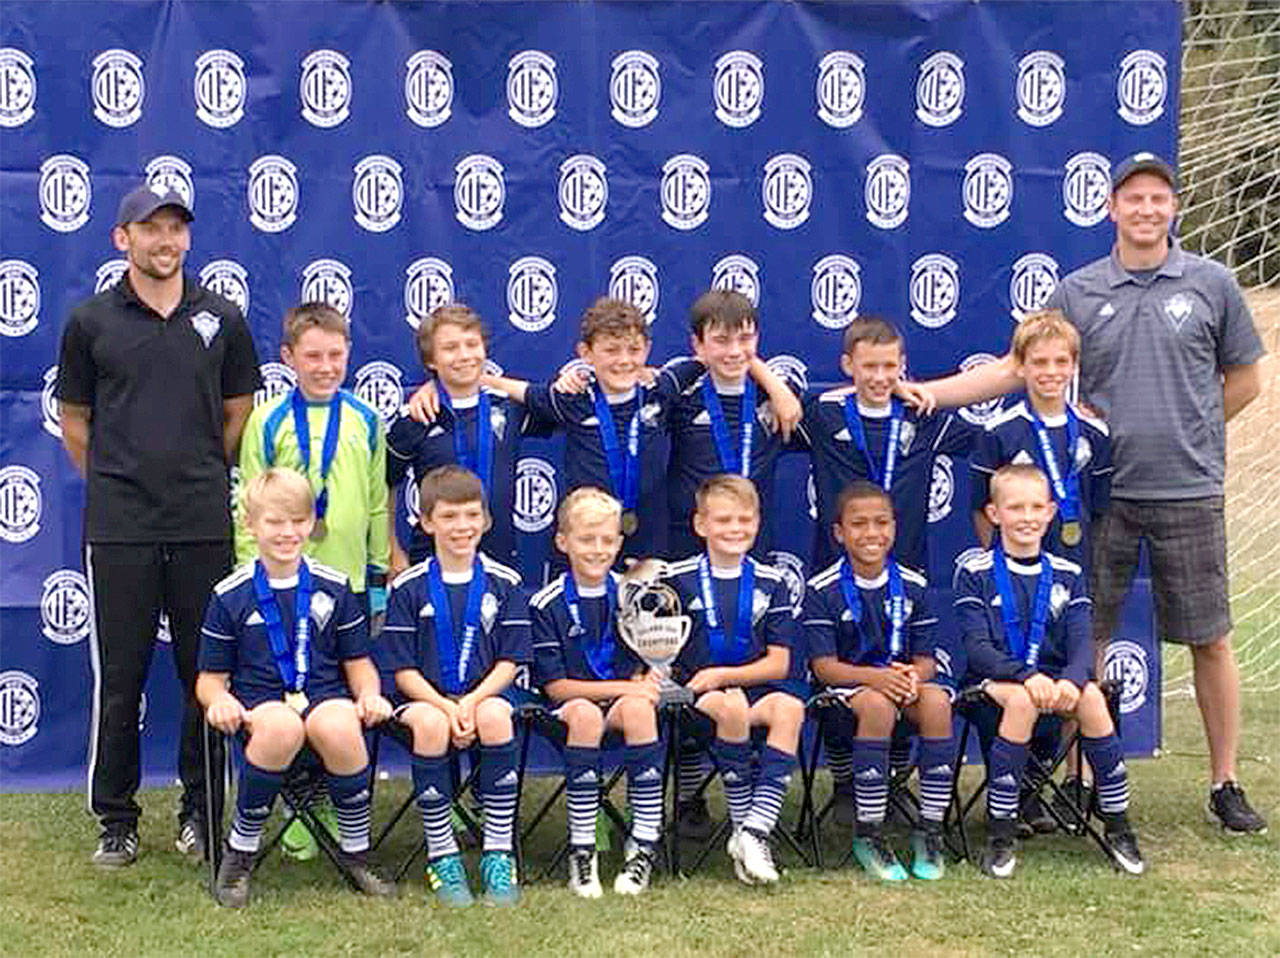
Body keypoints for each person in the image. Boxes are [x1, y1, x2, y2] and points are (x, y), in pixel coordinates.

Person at [914, 152, 1268, 834]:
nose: (1145, 209)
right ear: (1111, 209)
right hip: (1092, 495)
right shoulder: (1079, 291)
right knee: (1085, 636)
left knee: (1211, 638)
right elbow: (1018, 367)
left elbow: (1245, 379)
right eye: (1132, 199)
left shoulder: (1211, 283)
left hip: (1187, 487)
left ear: (1173, 208)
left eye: (1158, 199)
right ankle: (1081, 779)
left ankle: (1224, 781)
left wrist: (1192, 428)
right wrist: (931, 393)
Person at [56, 183, 261, 867]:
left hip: (203, 522)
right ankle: (116, 818)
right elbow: (76, 422)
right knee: (121, 676)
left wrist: (198, 471)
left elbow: (238, 411)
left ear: (187, 239)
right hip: (120, 528)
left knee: (206, 674)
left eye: (175, 229)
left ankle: (201, 814)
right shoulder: (91, 322)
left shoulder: (222, 318)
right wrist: (120, 481)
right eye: (151, 229)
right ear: (124, 240)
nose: (164, 241)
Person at [234, 300, 390, 861]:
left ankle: (329, 802)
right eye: (313, 356)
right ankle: (295, 799)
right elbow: (247, 502)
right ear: (288, 358)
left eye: (335, 355)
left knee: (335, 696)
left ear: (348, 354)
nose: (325, 366)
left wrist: (377, 572)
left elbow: (377, 501)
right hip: (279, 583)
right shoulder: (267, 419)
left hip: (343, 586)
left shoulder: (366, 420)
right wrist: (251, 572)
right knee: (284, 687)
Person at [196, 468, 394, 906]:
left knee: (342, 725)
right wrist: (221, 701)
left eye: (297, 521)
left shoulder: (335, 586)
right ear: (251, 525)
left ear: (311, 523)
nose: (287, 532)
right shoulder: (230, 594)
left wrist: (368, 694)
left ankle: (357, 850)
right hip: (260, 707)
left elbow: (358, 665)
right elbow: (208, 682)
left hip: (324, 698)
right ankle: (240, 853)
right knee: (282, 728)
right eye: (274, 522)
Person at [955, 464, 1143, 878]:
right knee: (1022, 701)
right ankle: (1001, 834)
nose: (1026, 517)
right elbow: (977, 649)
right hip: (993, 684)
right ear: (994, 514)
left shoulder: (1068, 573)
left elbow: (1081, 643)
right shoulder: (974, 573)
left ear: (1051, 512)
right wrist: (1026, 676)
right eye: (1015, 507)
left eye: (1035, 507)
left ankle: (1118, 825)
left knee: (1092, 697)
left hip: (1055, 681)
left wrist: (1072, 681)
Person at [377, 465, 531, 907]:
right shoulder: (407, 587)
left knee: (495, 714)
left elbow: (511, 660)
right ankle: (442, 855)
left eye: (470, 515)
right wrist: (447, 708)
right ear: (426, 522)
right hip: (423, 699)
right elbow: (403, 672)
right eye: (448, 516)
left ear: (485, 520)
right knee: (428, 724)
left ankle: (498, 852)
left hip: (486, 695)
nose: (461, 527)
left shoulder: (506, 583)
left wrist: (473, 701)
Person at [803, 481, 955, 882]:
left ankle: (931, 829)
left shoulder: (915, 586)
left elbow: (926, 661)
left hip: (896, 683)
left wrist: (912, 675)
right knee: (876, 703)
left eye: (881, 522)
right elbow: (824, 667)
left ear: (894, 527)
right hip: (844, 691)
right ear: (839, 533)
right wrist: (878, 680)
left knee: (937, 701)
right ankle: (869, 831)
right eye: (859, 524)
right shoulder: (822, 590)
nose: (871, 533)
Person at [661, 475, 806, 885]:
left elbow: (779, 664)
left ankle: (754, 830)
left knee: (790, 707)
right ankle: (744, 828)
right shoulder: (676, 578)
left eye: (745, 519)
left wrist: (726, 674)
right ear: (700, 525)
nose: (735, 529)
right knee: (731, 705)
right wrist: (702, 682)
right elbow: (662, 655)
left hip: (750, 687)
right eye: (723, 520)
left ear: (758, 523)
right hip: (695, 696)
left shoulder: (772, 582)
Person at [530, 488, 665, 896]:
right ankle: (582, 849)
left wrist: (651, 677)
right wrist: (630, 686)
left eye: (607, 540)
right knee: (586, 714)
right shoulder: (545, 603)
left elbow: (652, 658)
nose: (598, 549)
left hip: (623, 705)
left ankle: (643, 844)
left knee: (641, 712)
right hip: (569, 711)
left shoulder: (633, 594)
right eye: (587, 540)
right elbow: (556, 687)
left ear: (620, 543)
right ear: (563, 542)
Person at [803, 316, 973, 571]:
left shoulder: (921, 418)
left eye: (889, 366)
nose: (880, 377)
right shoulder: (824, 416)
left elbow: (992, 444)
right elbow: (780, 404)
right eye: (869, 366)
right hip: (834, 576)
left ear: (902, 365)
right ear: (848, 365)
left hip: (906, 576)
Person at [385, 304, 537, 576]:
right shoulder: (417, 417)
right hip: (432, 560)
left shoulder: (510, 407)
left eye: (472, 344)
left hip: (499, 557)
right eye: (451, 348)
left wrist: (490, 382)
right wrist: (394, 553)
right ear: (431, 360)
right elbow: (383, 488)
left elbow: (564, 405)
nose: (464, 355)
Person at [664, 289, 804, 559]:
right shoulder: (680, 398)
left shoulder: (779, 398)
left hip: (751, 544)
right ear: (698, 344)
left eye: (745, 339)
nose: (735, 351)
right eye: (721, 341)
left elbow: (853, 396)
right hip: (687, 547)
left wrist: (898, 385)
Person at [971, 309, 1111, 568]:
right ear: (1021, 367)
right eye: (1039, 362)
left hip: (1078, 569)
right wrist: (997, 562)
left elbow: (1100, 510)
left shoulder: (1095, 433)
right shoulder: (998, 432)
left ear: (1075, 366)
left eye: (1061, 361)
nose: (1051, 371)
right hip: (1012, 569)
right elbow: (982, 509)